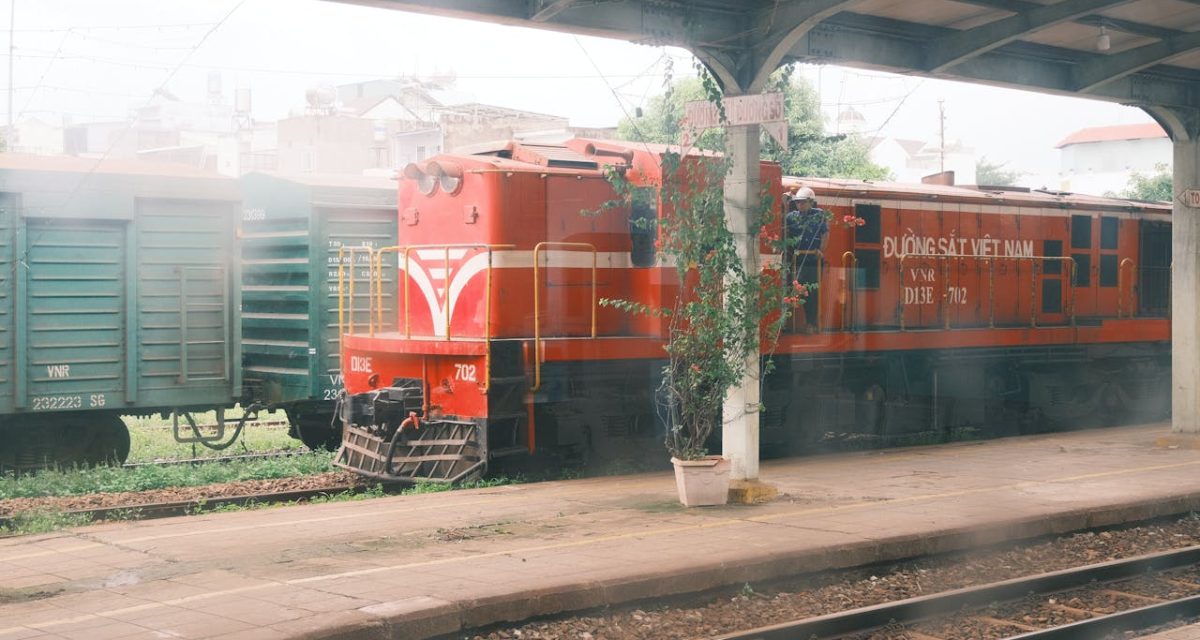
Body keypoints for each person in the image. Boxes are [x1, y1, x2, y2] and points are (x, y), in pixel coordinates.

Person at [785, 187, 829, 332]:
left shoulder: (819, 215)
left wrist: (820, 251)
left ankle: (811, 323)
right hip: (796, 260)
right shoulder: (791, 217)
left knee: (812, 293)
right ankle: (787, 324)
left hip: (813, 261)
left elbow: (825, 234)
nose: (800, 205)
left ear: (811, 202)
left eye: (803, 202)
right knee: (795, 289)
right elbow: (785, 235)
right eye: (797, 202)